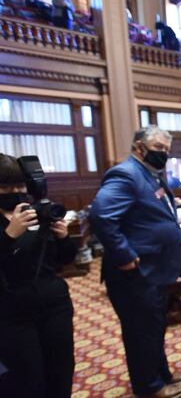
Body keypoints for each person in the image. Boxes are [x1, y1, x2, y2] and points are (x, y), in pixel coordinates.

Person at [90, 126, 181, 398]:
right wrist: (125, 256)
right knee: (141, 334)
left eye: (166, 149)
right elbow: (102, 216)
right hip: (135, 274)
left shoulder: (149, 175)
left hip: (153, 271)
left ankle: (161, 375)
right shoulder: (126, 174)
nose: (165, 154)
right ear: (140, 147)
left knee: (153, 329)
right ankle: (149, 387)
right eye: (160, 148)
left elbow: (156, 217)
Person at [0, 154, 76, 398]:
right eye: (5, 187)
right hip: (12, 313)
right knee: (29, 379)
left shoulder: (38, 212)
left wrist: (64, 236)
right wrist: (10, 235)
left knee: (61, 370)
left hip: (54, 305)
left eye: (20, 185)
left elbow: (65, 259)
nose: (15, 191)